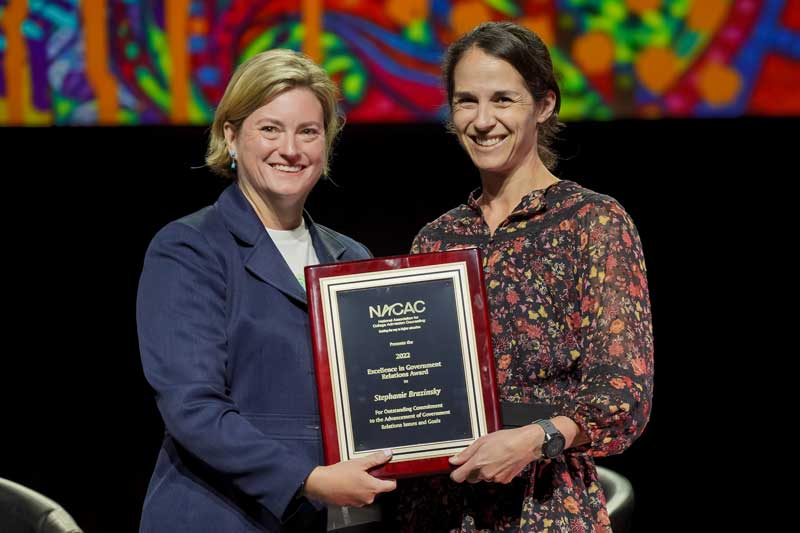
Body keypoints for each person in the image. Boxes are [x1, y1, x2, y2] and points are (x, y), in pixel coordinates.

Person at [395, 22, 654, 532]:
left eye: (503, 99)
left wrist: (535, 439)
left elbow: (624, 392)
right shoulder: (437, 239)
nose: (482, 120)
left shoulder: (591, 221)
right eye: (466, 101)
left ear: (544, 105)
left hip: (545, 506)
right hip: (438, 509)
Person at [137, 49, 395, 532]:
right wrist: (309, 480)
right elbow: (192, 407)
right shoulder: (189, 248)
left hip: (336, 517)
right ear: (231, 137)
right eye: (270, 129)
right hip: (219, 516)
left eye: (308, 131)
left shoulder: (351, 256)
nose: (290, 149)